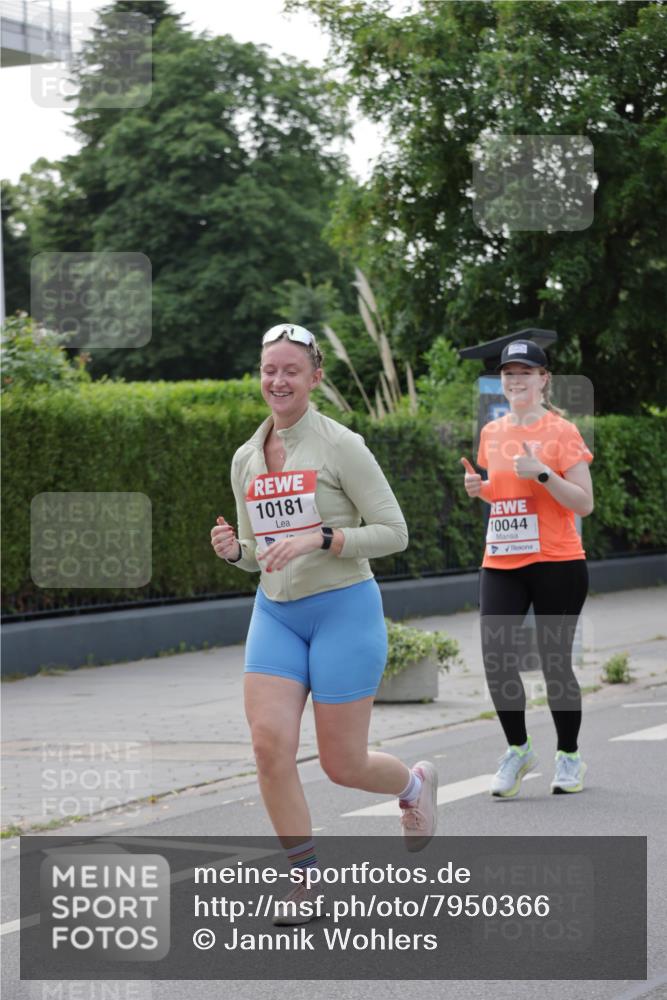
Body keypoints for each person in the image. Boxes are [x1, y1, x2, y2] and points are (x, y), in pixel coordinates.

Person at [210, 323, 438, 922]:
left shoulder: (342, 445)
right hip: (275, 614)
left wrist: (324, 537)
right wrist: (235, 552)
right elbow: (260, 552)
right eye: (269, 370)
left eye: (291, 370)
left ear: (315, 377)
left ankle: (413, 786)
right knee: (269, 748)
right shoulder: (245, 458)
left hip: (343, 609)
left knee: (343, 765)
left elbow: (395, 533)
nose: (278, 381)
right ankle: (305, 880)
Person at [460, 339, 594, 798]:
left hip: (557, 560)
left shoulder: (563, 431)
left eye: (525, 372)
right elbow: (507, 495)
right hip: (502, 560)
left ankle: (569, 756)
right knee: (497, 659)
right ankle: (518, 749)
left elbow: (584, 502)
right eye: (508, 373)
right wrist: (480, 489)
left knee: (555, 662)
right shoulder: (492, 433)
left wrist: (543, 473)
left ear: (543, 379)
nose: (515, 380)